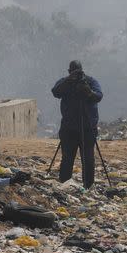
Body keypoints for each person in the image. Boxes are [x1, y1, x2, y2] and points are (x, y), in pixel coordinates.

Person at [51, 60, 103, 189]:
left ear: (82, 71)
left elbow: (99, 96)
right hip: (69, 128)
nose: (76, 75)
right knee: (67, 159)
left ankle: (88, 186)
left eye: (78, 72)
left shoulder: (90, 82)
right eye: (73, 72)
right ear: (69, 72)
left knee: (88, 160)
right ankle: (65, 185)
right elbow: (55, 92)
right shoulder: (65, 82)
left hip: (87, 128)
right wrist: (68, 81)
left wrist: (88, 92)